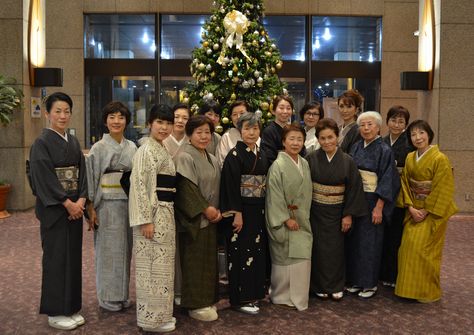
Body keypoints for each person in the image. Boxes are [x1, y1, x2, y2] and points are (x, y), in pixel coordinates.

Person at [29, 92, 87, 330]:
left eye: (67, 111)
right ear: (47, 114)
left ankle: (70, 307)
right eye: (57, 111)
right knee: (56, 259)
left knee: (73, 258)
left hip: (75, 208)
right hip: (56, 210)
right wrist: (66, 202)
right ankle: (55, 311)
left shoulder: (72, 141)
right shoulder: (41, 143)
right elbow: (42, 177)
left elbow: (82, 172)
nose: (63, 116)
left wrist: (82, 199)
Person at [395, 120, 458, 303]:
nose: (418, 137)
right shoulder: (409, 158)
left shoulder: (440, 159)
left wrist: (427, 210)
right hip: (413, 208)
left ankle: (426, 292)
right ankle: (408, 290)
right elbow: (405, 183)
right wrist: (411, 207)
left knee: (424, 251)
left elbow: (443, 187)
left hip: (431, 212)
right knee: (406, 248)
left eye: (421, 133)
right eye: (413, 134)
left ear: (429, 134)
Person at [306, 119, 367, 301]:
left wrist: (348, 215)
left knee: (336, 250)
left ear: (337, 137)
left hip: (338, 211)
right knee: (318, 249)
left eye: (330, 137)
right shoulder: (310, 159)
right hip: (316, 211)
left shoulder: (347, 161)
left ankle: (336, 285)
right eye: (322, 138)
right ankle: (318, 285)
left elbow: (354, 188)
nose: (327, 142)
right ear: (318, 139)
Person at [128, 104, 177, 333]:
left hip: (166, 212)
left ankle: (162, 315)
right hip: (153, 215)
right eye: (160, 122)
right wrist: (145, 220)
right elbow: (139, 186)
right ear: (149, 123)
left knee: (163, 267)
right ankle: (151, 320)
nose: (164, 127)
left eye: (168, 123)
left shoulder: (161, 148)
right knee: (151, 267)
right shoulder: (146, 150)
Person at [86, 101, 137, 312]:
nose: (116, 121)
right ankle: (107, 297)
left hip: (127, 204)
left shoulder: (132, 147)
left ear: (127, 121)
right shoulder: (98, 148)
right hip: (106, 205)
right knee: (108, 251)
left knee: (125, 250)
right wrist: (90, 208)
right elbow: (91, 179)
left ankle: (122, 294)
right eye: (112, 117)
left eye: (121, 117)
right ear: (105, 121)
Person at [346, 111, 400, 299]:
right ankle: (354, 280)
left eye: (370, 125)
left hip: (373, 201)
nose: (366, 128)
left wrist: (379, 207)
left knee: (370, 243)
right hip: (357, 199)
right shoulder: (356, 147)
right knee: (354, 242)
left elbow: (388, 180)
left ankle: (369, 284)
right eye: (362, 125)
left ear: (378, 127)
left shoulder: (384, 150)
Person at [174, 115, 222, 321]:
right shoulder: (185, 156)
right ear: (190, 134)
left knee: (208, 261)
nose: (204, 136)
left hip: (212, 217)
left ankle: (206, 300)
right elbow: (186, 189)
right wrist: (205, 209)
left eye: (207, 132)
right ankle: (194, 303)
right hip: (195, 219)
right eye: (199, 132)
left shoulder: (211, 157)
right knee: (194, 261)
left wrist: (217, 210)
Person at [219, 113, 269, 315]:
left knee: (256, 251)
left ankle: (254, 293)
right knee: (240, 253)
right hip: (242, 210)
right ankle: (239, 298)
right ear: (240, 130)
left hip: (258, 208)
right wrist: (236, 213)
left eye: (255, 128)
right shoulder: (234, 155)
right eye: (247, 128)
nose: (251, 132)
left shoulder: (261, 153)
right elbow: (230, 187)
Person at [265, 123, 313, 311]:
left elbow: (307, 192)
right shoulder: (277, 166)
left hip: (302, 217)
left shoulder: (305, 163)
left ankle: (299, 296)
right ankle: (281, 295)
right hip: (286, 219)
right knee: (284, 256)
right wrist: (286, 218)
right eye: (291, 139)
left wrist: (301, 215)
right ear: (283, 141)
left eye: (299, 139)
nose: (295, 143)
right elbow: (274, 196)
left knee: (301, 255)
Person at [379, 106, 414, 287]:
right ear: (387, 121)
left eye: (401, 121)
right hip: (382, 194)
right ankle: (381, 272)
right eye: (393, 120)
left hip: (400, 194)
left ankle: (393, 275)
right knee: (382, 235)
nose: (396, 124)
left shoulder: (409, 145)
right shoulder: (382, 142)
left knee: (396, 236)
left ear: (406, 125)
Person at [261, 95, 305, 166]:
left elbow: (302, 152)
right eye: (281, 108)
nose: (285, 111)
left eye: (288, 108)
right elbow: (269, 157)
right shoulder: (268, 131)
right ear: (273, 111)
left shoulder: (295, 129)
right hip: (277, 171)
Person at [216, 100, 251, 168]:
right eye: (234, 114)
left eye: (242, 113)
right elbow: (221, 163)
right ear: (231, 118)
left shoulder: (255, 135)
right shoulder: (226, 137)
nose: (238, 117)